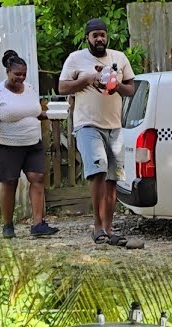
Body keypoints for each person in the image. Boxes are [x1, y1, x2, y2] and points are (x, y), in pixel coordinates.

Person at [59, 18, 141, 250]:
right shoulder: (76, 59)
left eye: (102, 35)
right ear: (87, 38)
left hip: (114, 126)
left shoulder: (119, 58)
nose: (99, 39)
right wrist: (86, 79)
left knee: (113, 178)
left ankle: (108, 228)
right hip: (87, 125)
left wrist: (112, 86)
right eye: (95, 35)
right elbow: (62, 87)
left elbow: (131, 90)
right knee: (98, 171)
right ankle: (96, 226)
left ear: (107, 37)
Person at [0, 50, 58, 239]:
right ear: (8, 72)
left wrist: (50, 114)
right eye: (17, 74)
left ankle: (38, 224)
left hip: (32, 143)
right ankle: (8, 225)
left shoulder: (30, 89)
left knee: (37, 178)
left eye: (24, 74)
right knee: (10, 183)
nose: (21, 78)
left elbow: (34, 112)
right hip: (7, 146)